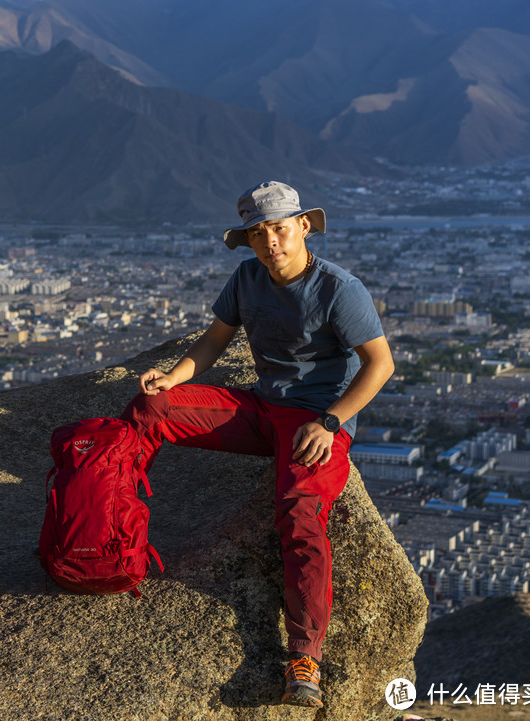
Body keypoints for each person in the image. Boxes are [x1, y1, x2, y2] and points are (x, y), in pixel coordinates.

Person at [121, 181, 394, 708]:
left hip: (314, 419)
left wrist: (332, 422)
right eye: (259, 232)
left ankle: (304, 656)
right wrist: (172, 380)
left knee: (299, 514)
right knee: (150, 407)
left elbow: (379, 363)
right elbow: (212, 343)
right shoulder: (247, 277)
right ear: (248, 239)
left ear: (304, 226)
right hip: (259, 406)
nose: (271, 242)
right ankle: (111, 528)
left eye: (280, 229)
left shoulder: (339, 288)